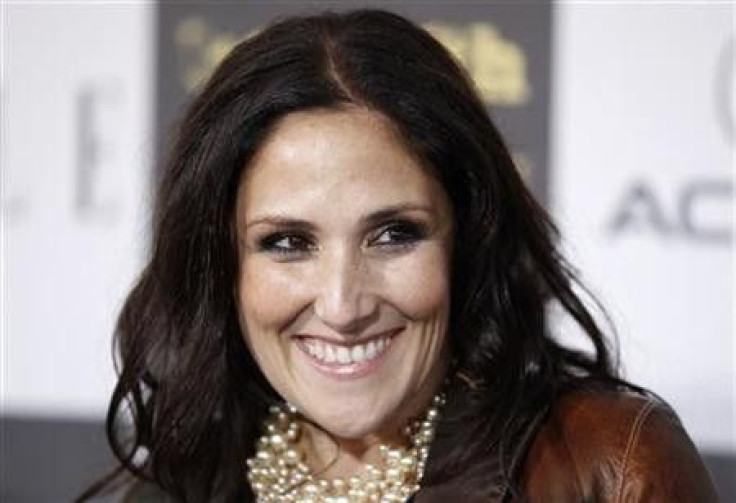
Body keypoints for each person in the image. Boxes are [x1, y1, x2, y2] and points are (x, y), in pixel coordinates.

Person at [82, 9, 719, 503]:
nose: (342, 305)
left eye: (393, 235)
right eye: (287, 243)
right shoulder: (179, 484)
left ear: (466, 237)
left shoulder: (607, 467)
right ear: (224, 266)